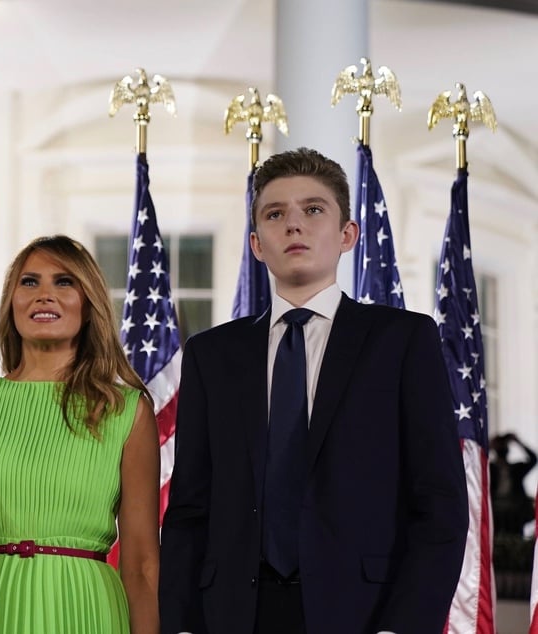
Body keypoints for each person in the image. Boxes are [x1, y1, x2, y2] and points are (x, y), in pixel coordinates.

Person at [159, 148, 469, 634]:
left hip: (364, 613)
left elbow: (439, 507)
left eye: (313, 209)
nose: (294, 225)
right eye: (275, 213)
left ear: (348, 235)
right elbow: (188, 514)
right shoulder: (210, 356)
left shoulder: (403, 340)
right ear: (257, 243)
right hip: (234, 614)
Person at [0, 235, 160, 633]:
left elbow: (141, 563)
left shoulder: (126, 411)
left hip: (83, 609)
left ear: (88, 306)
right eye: (29, 282)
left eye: (65, 282)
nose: (45, 295)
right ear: (11, 302)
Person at [490, 432, 537, 535]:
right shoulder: (489, 469)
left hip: (515, 510)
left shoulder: (516, 469)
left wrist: (518, 442)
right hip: (495, 510)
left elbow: (533, 459)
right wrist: (489, 445)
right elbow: (475, 464)